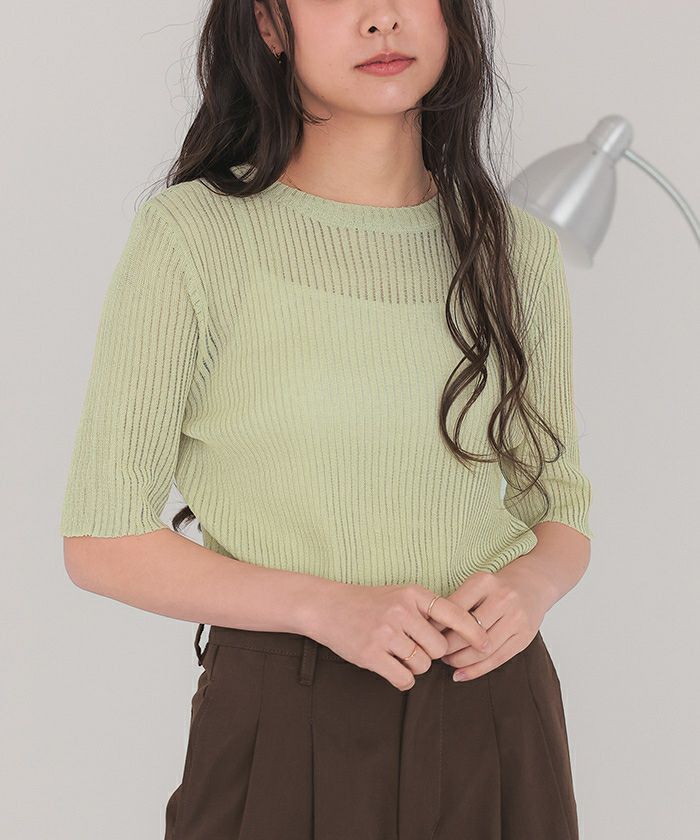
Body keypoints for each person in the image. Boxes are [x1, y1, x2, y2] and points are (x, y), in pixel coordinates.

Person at [60, 0, 594, 838]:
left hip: (494, 708)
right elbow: (101, 539)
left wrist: (532, 585)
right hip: (285, 714)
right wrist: (324, 607)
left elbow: (558, 502)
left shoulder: (513, 248)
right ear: (270, 26)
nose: (382, 19)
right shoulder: (194, 236)